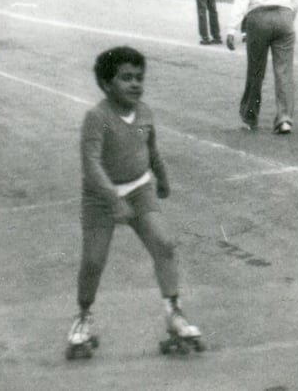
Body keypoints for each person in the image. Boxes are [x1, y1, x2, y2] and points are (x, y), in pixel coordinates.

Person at [66, 46, 202, 358]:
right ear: (106, 83)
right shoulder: (97, 118)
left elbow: (150, 149)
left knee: (164, 245)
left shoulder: (144, 112)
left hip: (140, 189)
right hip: (101, 196)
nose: (135, 84)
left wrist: (162, 177)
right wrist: (113, 199)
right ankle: (83, 316)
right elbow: (91, 164)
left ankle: (175, 314)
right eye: (126, 78)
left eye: (139, 77)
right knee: (94, 260)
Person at [226, 0, 298, 134]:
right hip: (284, 17)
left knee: (256, 70)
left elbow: (241, 1)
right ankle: (284, 118)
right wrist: (288, 20)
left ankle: (250, 115)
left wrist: (232, 28)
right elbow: (295, 2)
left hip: (258, 18)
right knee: (284, 71)